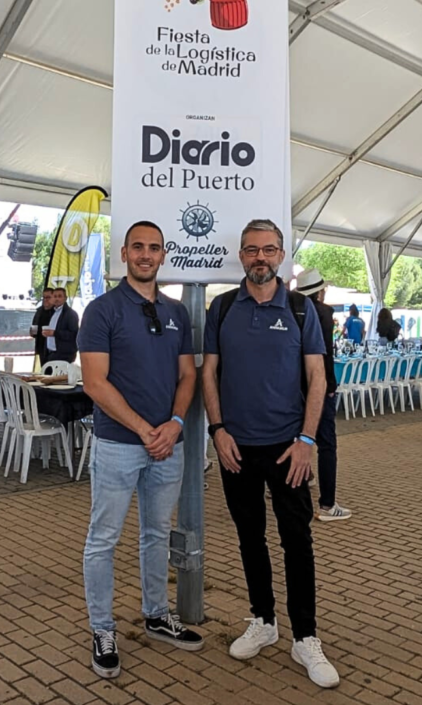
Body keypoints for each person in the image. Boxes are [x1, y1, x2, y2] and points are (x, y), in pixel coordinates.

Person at [203, 219, 339, 689]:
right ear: (241, 256)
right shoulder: (221, 308)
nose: (260, 257)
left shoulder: (302, 311)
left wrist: (307, 441)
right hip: (236, 447)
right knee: (249, 538)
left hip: (289, 449)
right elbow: (208, 373)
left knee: (297, 542)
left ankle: (306, 637)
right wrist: (217, 430)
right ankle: (263, 619)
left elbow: (318, 379)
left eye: (268, 250)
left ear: (281, 255)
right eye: (251, 250)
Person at [78, 220, 203, 680]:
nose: (146, 254)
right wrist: (145, 429)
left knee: (156, 534)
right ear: (124, 254)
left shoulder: (175, 312)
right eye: (138, 247)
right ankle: (102, 629)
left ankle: (156, 615)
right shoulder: (102, 310)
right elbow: (95, 382)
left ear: (163, 255)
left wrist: (171, 425)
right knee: (103, 540)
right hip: (118, 446)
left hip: (167, 446)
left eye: (154, 248)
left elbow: (187, 375)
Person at [296, 269, 351, 523]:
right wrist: (330, 384)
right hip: (318, 385)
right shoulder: (324, 314)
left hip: (294, 387)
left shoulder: (290, 310)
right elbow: (324, 355)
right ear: (320, 291)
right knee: (327, 444)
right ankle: (328, 504)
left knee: (293, 436)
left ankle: (298, 482)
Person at [43, 287, 80, 363]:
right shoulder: (52, 312)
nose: (57, 299)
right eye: (55, 296)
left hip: (64, 354)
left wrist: (54, 333)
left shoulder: (70, 314)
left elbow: (73, 334)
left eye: (60, 296)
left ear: (65, 298)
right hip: (50, 353)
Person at [30, 288, 55, 366]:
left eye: (48, 297)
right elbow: (34, 325)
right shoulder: (39, 311)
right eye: (44, 297)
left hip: (54, 349)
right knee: (44, 369)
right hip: (41, 346)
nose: (45, 300)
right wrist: (32, 332)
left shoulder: (57, 312)